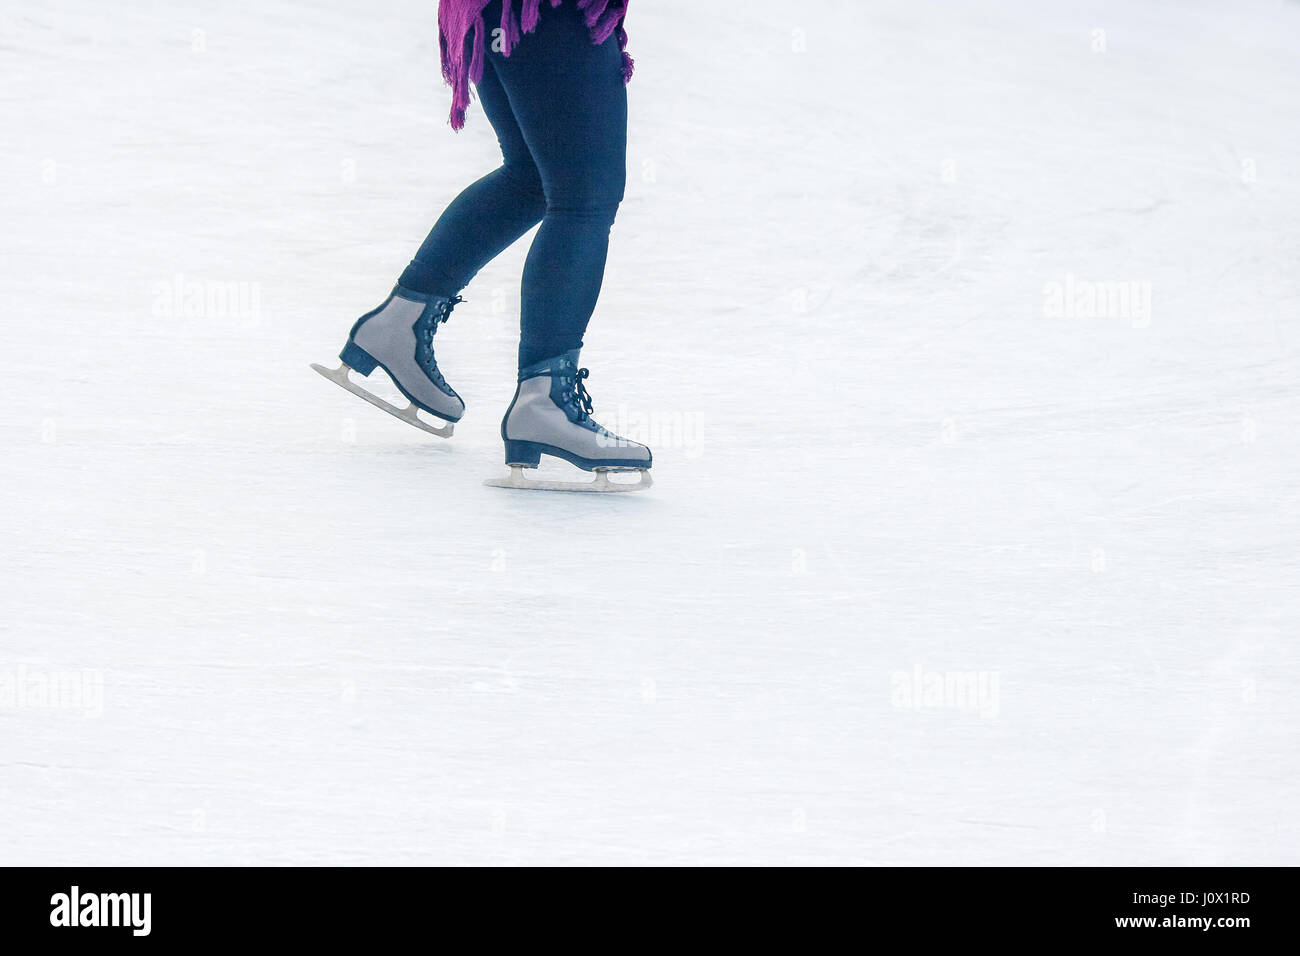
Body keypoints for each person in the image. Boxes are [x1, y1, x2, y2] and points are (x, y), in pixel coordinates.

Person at [314, 0, 651, 490]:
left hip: (492, 11)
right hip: (545, 12)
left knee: (534, 178)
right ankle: (544, 400)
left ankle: (399, 324)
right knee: (584, 197)